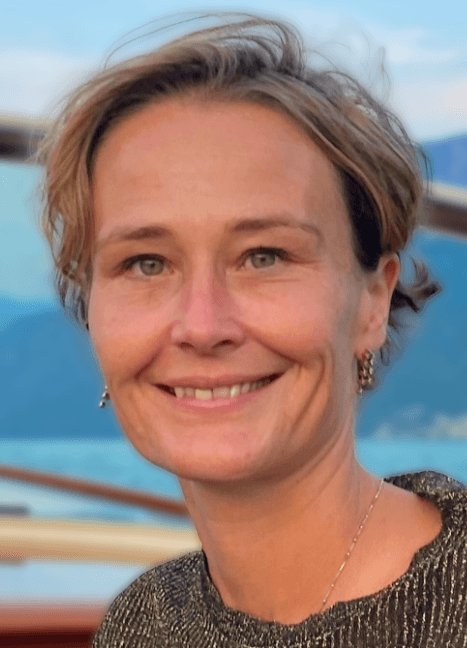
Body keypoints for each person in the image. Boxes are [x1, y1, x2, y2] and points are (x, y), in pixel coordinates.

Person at [38, 14, 467, 648]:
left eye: (264, 256)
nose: (202, 325)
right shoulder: (141, 625)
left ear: (372, 302)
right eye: (146, 263)